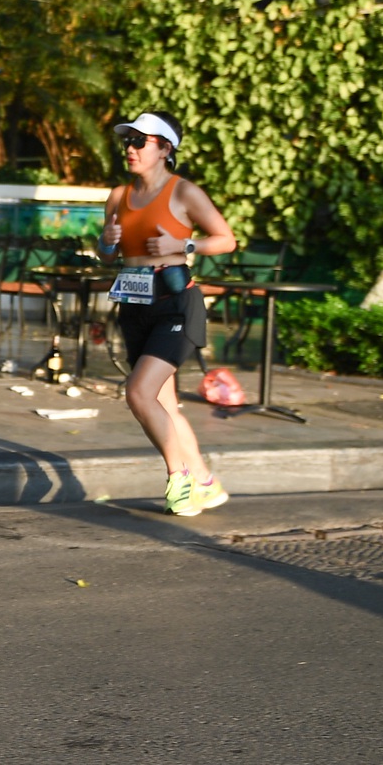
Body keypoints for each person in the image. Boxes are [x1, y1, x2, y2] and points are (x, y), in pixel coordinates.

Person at [99, 110, 239, 517]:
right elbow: (105, 252)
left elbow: (225, 240)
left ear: (164, 149)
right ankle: (207, 484)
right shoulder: (116, 196)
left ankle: (178, 478)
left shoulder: (183, 193)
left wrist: (184, 246)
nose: (131, 148)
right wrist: (106, 242)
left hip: (176, 305)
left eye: (140, 141)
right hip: (134, 307)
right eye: (128, 141)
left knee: (138, 392)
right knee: (165, 404)